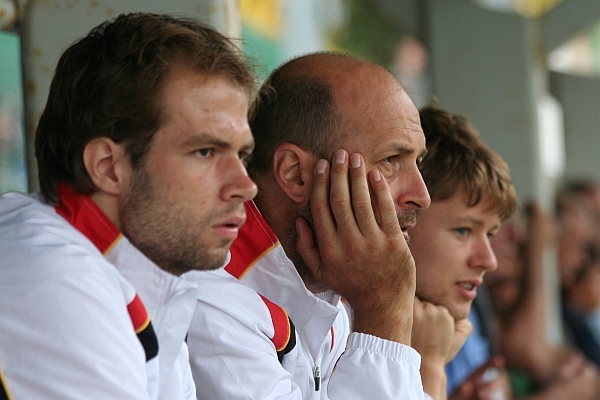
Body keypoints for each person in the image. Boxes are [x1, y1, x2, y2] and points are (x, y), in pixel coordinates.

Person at [0, 13, 257, 399]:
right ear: (108, 168)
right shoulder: (57, 280)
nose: (246, 186)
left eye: (242, 155)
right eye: (205, 151)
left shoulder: (148, 277)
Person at [186, 52, 467, 399]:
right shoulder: (213, 302)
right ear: (296, 174)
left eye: (417, 161)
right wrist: (384, 314)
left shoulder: (336, 290)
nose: (421, 195)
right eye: (392, 160)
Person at [407, 105, 519, 400]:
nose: (488, 261)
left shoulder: (452, 323)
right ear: (401, 221)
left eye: (490, 234)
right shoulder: (347, 333)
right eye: (463, 231)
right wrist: (429, 367)